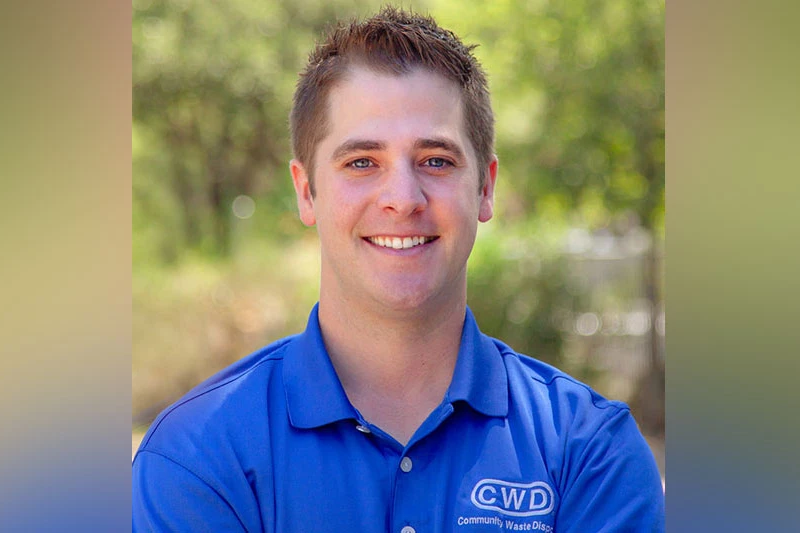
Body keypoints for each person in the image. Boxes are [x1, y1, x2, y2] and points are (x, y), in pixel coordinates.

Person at [132, 6, 664, 532]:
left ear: (485, 187)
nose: (403, 198)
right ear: (306, 191)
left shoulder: (589, 453)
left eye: (436, 160)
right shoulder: (197, 457)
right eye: (362, 162)